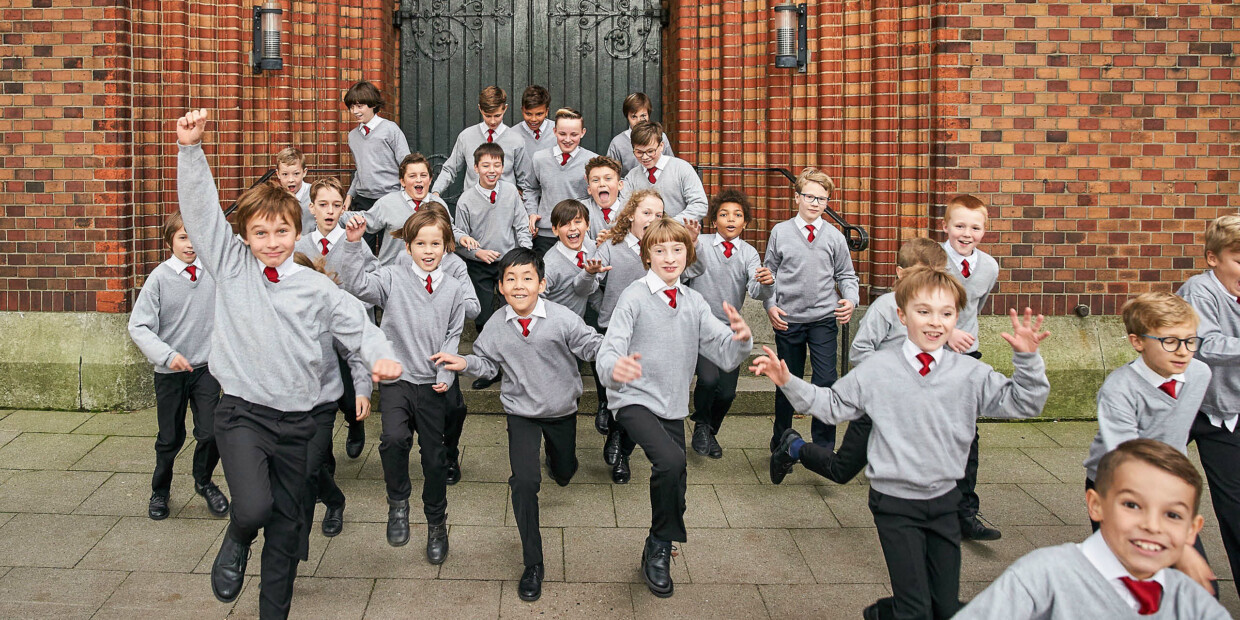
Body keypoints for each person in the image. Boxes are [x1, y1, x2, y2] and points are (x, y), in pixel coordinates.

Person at [176, 109, 401, 619]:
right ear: (247, 237)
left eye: (281, 232)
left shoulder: (315, 285)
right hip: (242, 414)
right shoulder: (232, 268)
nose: (272, 243)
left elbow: (356, 325)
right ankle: (236, 535)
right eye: (260, 234)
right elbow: (203, 215)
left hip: (299, 423)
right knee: (255, 508)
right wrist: (191, 150)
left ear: (294, 230)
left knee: (287, 526)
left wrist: (381, 357)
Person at [757, 265, 1050, 620]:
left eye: (945, 313)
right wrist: (789, 381)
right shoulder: (879, 369)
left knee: (944, 609)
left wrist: (1028, 359)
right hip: (895, 503)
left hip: (945, 501)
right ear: (902, 315)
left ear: (957, 318)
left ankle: (884, 614)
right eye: (923, 311)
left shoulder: (969, 374)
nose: (934, 322)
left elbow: (1024, 403)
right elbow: (831, 406)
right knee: (916, 610)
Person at [433, 248, 603, 603]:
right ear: (500, 286)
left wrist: (617, 353)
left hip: (560, 410)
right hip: (521, 412)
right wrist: (463, 362)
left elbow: (591, 345)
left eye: (527, 278)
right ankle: (533, 563)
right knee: (524, 483)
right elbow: (486, 364)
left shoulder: (562, 318)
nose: (519, 285)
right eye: (511, 278)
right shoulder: (496, 324)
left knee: (564, 470)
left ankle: (560, 462)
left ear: (542, 284)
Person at [596, 217, 753, 598]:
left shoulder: (693, 301)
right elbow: (608, 350)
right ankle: (661, 550)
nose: (669, 257)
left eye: (677, 249)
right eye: (660, 250)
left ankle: (657, 541)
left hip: (671, 405)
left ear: (689, 254)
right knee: (671, 461)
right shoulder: (633, 296)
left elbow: (723, 352)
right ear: (647, 255)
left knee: (676, 486)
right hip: (632, 398)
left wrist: (742, 339)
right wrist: (614, 368)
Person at [956, 439, 1229, 619]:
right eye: (1132, 505)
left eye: (1172, 514)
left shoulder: (1196, 604)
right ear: (1095, 505)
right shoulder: (1042, 576)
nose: (1152, 526)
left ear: (1192, 529)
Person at [338, 210, 466, 565]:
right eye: (420, 243)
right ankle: (398, 502)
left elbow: (454, 335)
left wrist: (446, 376)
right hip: (397, 378)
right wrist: (352, 244)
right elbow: (355, 284)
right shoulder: (391, 277)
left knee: (434, 458)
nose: (428, 250)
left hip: (432, 383)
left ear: (446, 247)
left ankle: (436, 522)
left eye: (435, 244)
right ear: (407, 247)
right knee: (394, 440)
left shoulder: (454, 289)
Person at [127, 211, 228, 521]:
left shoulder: (212, 273)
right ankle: (160, 490)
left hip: (205, 369)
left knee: (211, 433)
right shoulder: (159, 278)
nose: (190, 244)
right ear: (169, 240)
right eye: (183, 237)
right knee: (170, 438)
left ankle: (203, 480)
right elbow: (139, 326)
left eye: (195, 237)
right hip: (171, 372)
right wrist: (167, 355)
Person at [764, 168, 859, 451]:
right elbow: (768, 273)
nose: (815, 203)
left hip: (823, 320)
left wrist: (850, 299)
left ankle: (823, 447)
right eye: (809, 196)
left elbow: (846, 275)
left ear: (828, 202)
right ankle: (781, 440)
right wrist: (770, 305)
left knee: (826, 381)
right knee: (787, 382)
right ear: (797, 198)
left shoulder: (834, 237)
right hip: (788, 320)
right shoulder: (780, 232)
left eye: (822, 198)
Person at [1175, 213, 1240, 598]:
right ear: (1212, 258)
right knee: (1166, 497)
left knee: (1235, 507)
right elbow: (1207, 344)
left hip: (1226, 414)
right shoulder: (1199, 291)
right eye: (1238, 257)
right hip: (1182, 408)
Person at [683, 188, 773, 458]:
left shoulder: (748, 253)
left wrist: (767, 284)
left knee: (727, 393)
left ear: (745, 222)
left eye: (737, 215)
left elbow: (755, 290)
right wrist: (690, 245)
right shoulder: (701, 244)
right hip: (701, 326)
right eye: (724, 214)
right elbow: (684, 273)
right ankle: (700, 425)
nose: (730, 219)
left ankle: (710, 430)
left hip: (730, 331)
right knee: (709, 380)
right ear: (714, 221)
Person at [524, 107, 598, 255]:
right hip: (546, 233)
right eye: (562, 134)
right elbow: (530, 188)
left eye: (574, 134)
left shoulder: (592, 161)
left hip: (578, 234)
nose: (568, 139)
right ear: (554, 131)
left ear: (583, 133)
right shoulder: (539, 158)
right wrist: (532, 212)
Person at [432, 86, 530, 196]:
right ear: (480, 109)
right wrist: (436, 192)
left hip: (505, 206)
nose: (492, 121)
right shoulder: (466, 137)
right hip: (473, 205)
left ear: (505, 108)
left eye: (497, 115)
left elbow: (525, 181)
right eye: (487, 116)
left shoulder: (516, 140)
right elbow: (450, 169)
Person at [615, 121, 707, 222]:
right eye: (639, 152)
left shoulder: (682, 169)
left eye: (650, 151)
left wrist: (670, 225)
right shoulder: (632, 176)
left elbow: (699, 204)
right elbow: (623, 210)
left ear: (661, 146)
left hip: (678, 234)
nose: (645, 157)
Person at [606, 92, 674, 174]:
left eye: (643, 116)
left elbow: (670, 166)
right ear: (627, 117)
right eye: (634, 117)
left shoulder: (661, 137)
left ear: (648, 114)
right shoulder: (617, 143)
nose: (639, 121)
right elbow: (610, 173)